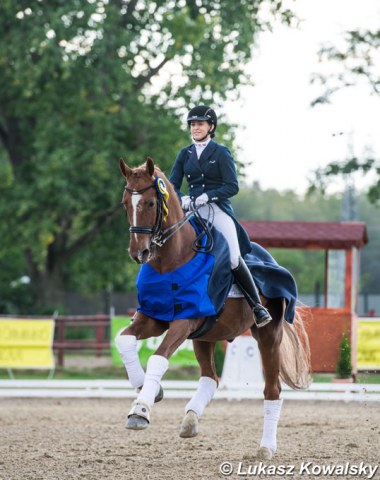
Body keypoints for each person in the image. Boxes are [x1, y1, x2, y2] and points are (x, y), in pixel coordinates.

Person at [169, 105, 272, 327]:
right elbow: (172, 185)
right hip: (191, 211)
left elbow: (232, 186)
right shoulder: (184, 154)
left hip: (217, 210)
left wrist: (208, 196)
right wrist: (182, 198)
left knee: (234, 257)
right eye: (193, 124)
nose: (195, 128)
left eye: (200, 124)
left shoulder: (221, 152)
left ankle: (257, 307)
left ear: (211, 127)